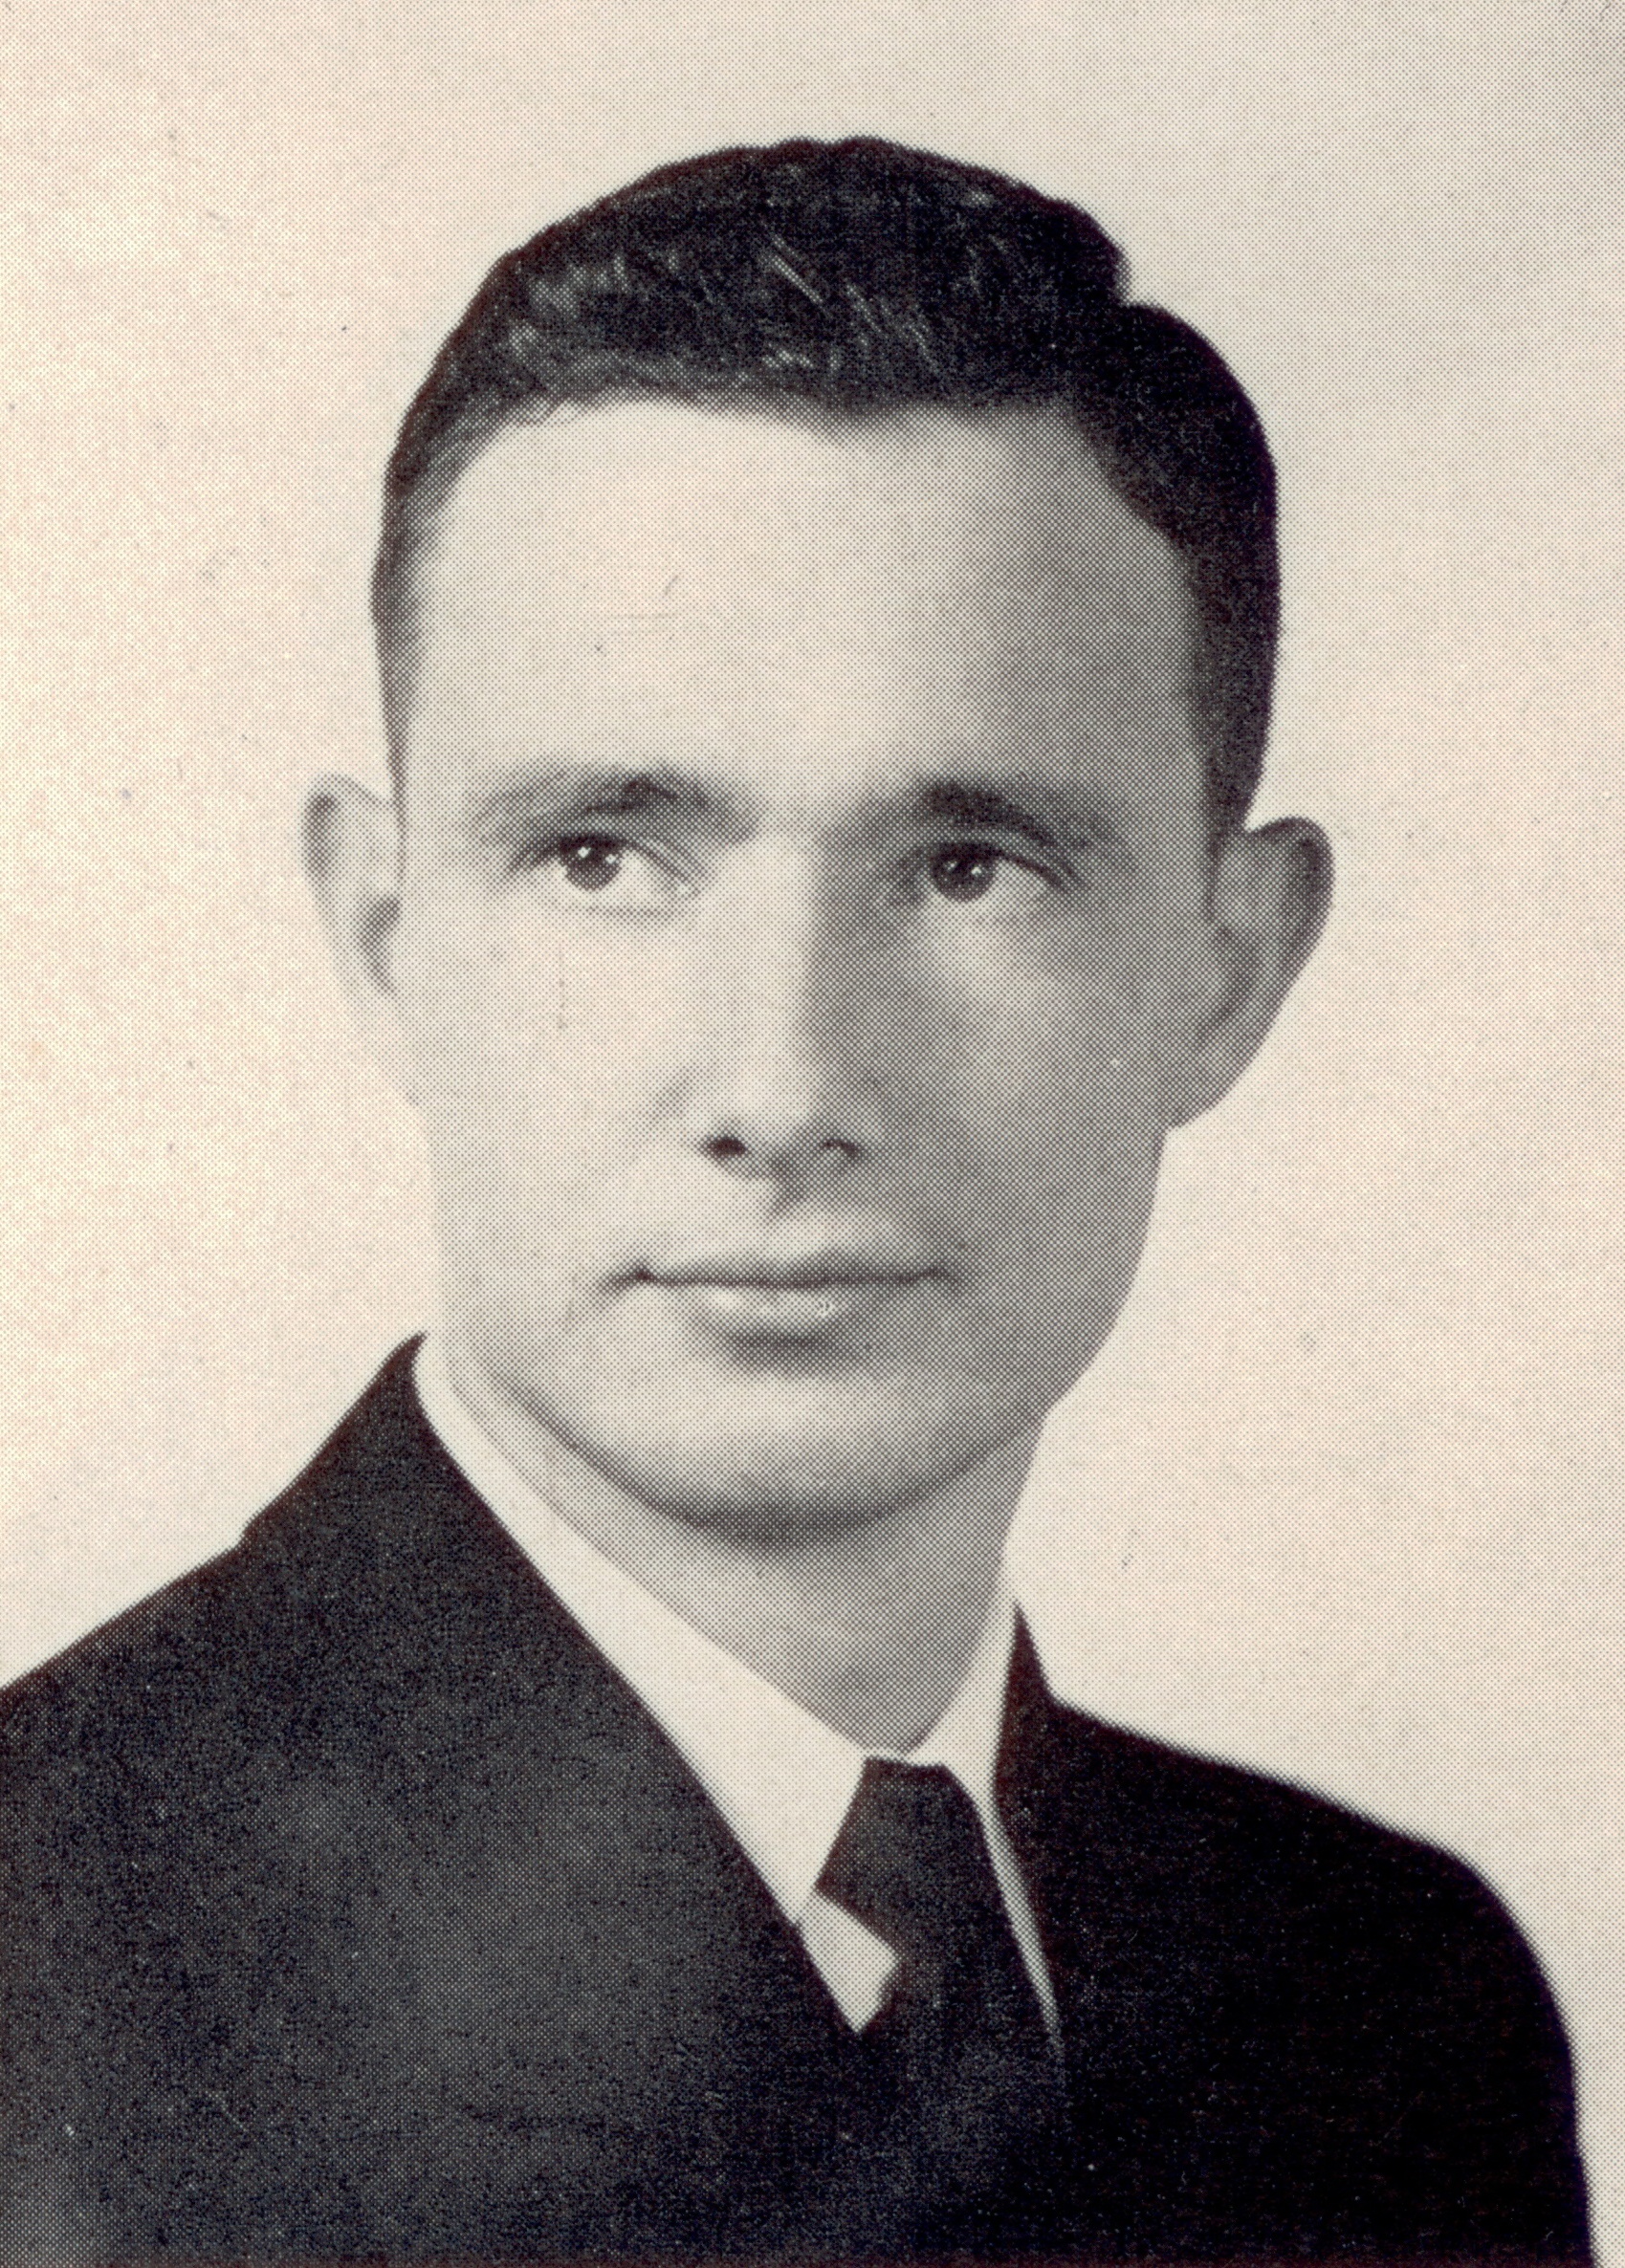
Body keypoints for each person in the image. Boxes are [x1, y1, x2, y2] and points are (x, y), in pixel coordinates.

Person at [0, 138, 1591, 2264]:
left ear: (1228, 972)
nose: (781, 1088)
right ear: (385, 937)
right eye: (603, 855)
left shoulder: (1386, 2003)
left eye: (968, 866)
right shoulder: (38, 1972)